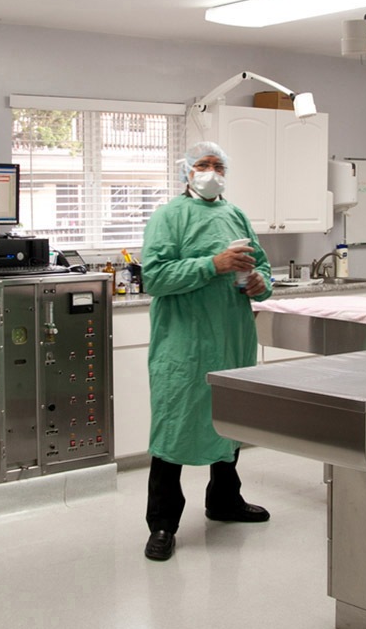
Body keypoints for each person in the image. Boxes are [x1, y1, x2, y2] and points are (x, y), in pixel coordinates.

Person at [140, 141, 273, 562]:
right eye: (203, 164)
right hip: (185, 345)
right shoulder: (169, 216)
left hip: (231, 340)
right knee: (174, 427)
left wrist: (260, 284)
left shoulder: (234, 214)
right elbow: (155, 277)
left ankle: (224, 501)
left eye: (218, 165)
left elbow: (263, 265)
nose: (211, 171)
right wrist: (212, 265)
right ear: (186, 172)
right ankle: (162, 524)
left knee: (229, 423)